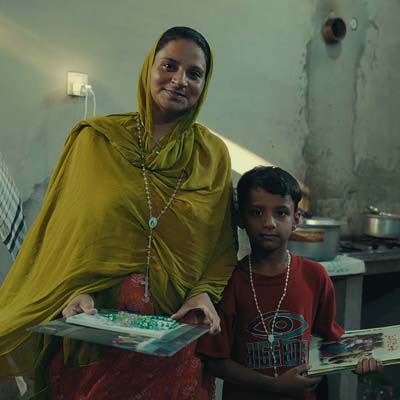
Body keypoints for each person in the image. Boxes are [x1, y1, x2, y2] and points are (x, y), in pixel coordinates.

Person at [0, 26, 237, 399]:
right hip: (95, 331)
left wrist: (205, 294)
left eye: (194, 73)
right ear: (149, 68)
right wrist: (76, 291)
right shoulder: (96, 141)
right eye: (169, 66)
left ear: (204, 84)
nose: (180, 80)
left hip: (175, 339)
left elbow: (221, 243)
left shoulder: (211, 155)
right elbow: (64, 236)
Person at [197, 166, 382, 400]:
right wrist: (274, 385)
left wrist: (361, 361)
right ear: (241, 218)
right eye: (256, 212)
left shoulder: (314, 276)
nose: (269, 223)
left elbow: (329, 339)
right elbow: (214, 361)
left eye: (281, 213)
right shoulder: (228, 281)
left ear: (296, 219)